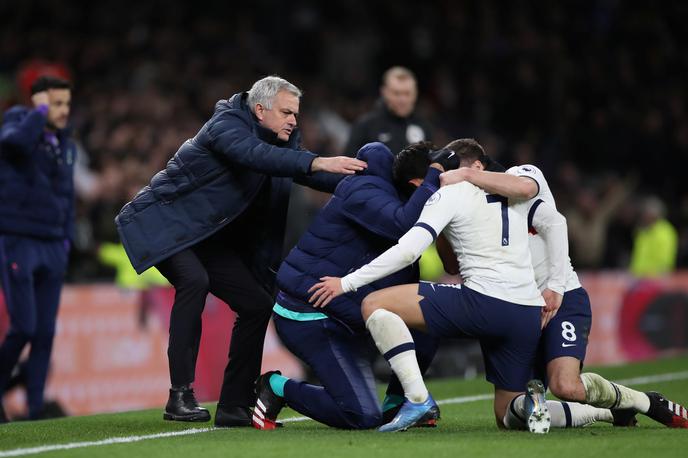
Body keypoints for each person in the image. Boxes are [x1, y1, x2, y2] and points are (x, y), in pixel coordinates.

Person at [115, 76, 367, 427]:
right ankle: (180, 395)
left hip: (206, 234)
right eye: (286, 112)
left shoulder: (282, 140)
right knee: (194, 280)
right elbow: (259, 156)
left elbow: (304, 171)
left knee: (256, 304)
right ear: (259, 109)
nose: (294, 120)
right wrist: (317, 161)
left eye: (296, 113)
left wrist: (370, 179)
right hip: (165, 223)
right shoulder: (226, 124)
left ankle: (234, 404)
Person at [309, 139, 549, 432]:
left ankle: (417, 399)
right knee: (508, 415)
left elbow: (408, 251)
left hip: (485, 304)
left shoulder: (447, 195)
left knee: (373, 303)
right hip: (526, 312)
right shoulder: (506, 188)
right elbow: (452, 265)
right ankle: (603, 408)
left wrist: (346, 282)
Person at [440, 164, 688, 429]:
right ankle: (609, 413)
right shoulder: (469, 209)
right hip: (516, 308)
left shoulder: (519, 180)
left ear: (477, 166)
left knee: (565, 385)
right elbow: (452, 266)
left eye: (459, 169)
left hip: (559, 299)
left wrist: (556, 287)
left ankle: (645, 401)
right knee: (508, 417)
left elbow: (556, 221)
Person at [251, 141, 459, 430]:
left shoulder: (397, 197)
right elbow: (402, 225)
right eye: (438, 184)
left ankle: (398, 405)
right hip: (311, 313)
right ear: (418, 184)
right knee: (361, 416)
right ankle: (276, 387)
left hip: (348, 311)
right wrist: (437, 174)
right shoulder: (365, 191)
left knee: (429, 314)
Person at [0, 76, 75, 422]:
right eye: (55, 104)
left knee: (44, 332)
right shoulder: (18, 121)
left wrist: (66, 238)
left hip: (53, 245)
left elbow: (67, 195)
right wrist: (37, 111)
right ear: (39, 102)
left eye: (65, 104)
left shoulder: (64, 142)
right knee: (24, 328)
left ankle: (33, 409)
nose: (63, 111)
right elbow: (13, 145)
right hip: (20, 239)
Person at [344, 67, 431, 157]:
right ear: (384, 92)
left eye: (407, 93)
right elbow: (349, 164)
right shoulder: (365, 126)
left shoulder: (424, 126)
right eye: (396, 93)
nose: (402, 100)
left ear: (415, 93)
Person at [629, 196, 678, 277]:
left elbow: (665, 260)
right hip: (638, 277)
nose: (644, 216)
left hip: (655, 278)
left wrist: (655, 275)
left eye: (647, 213)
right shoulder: (642, 231)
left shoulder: (665, 232)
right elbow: (638, 255)